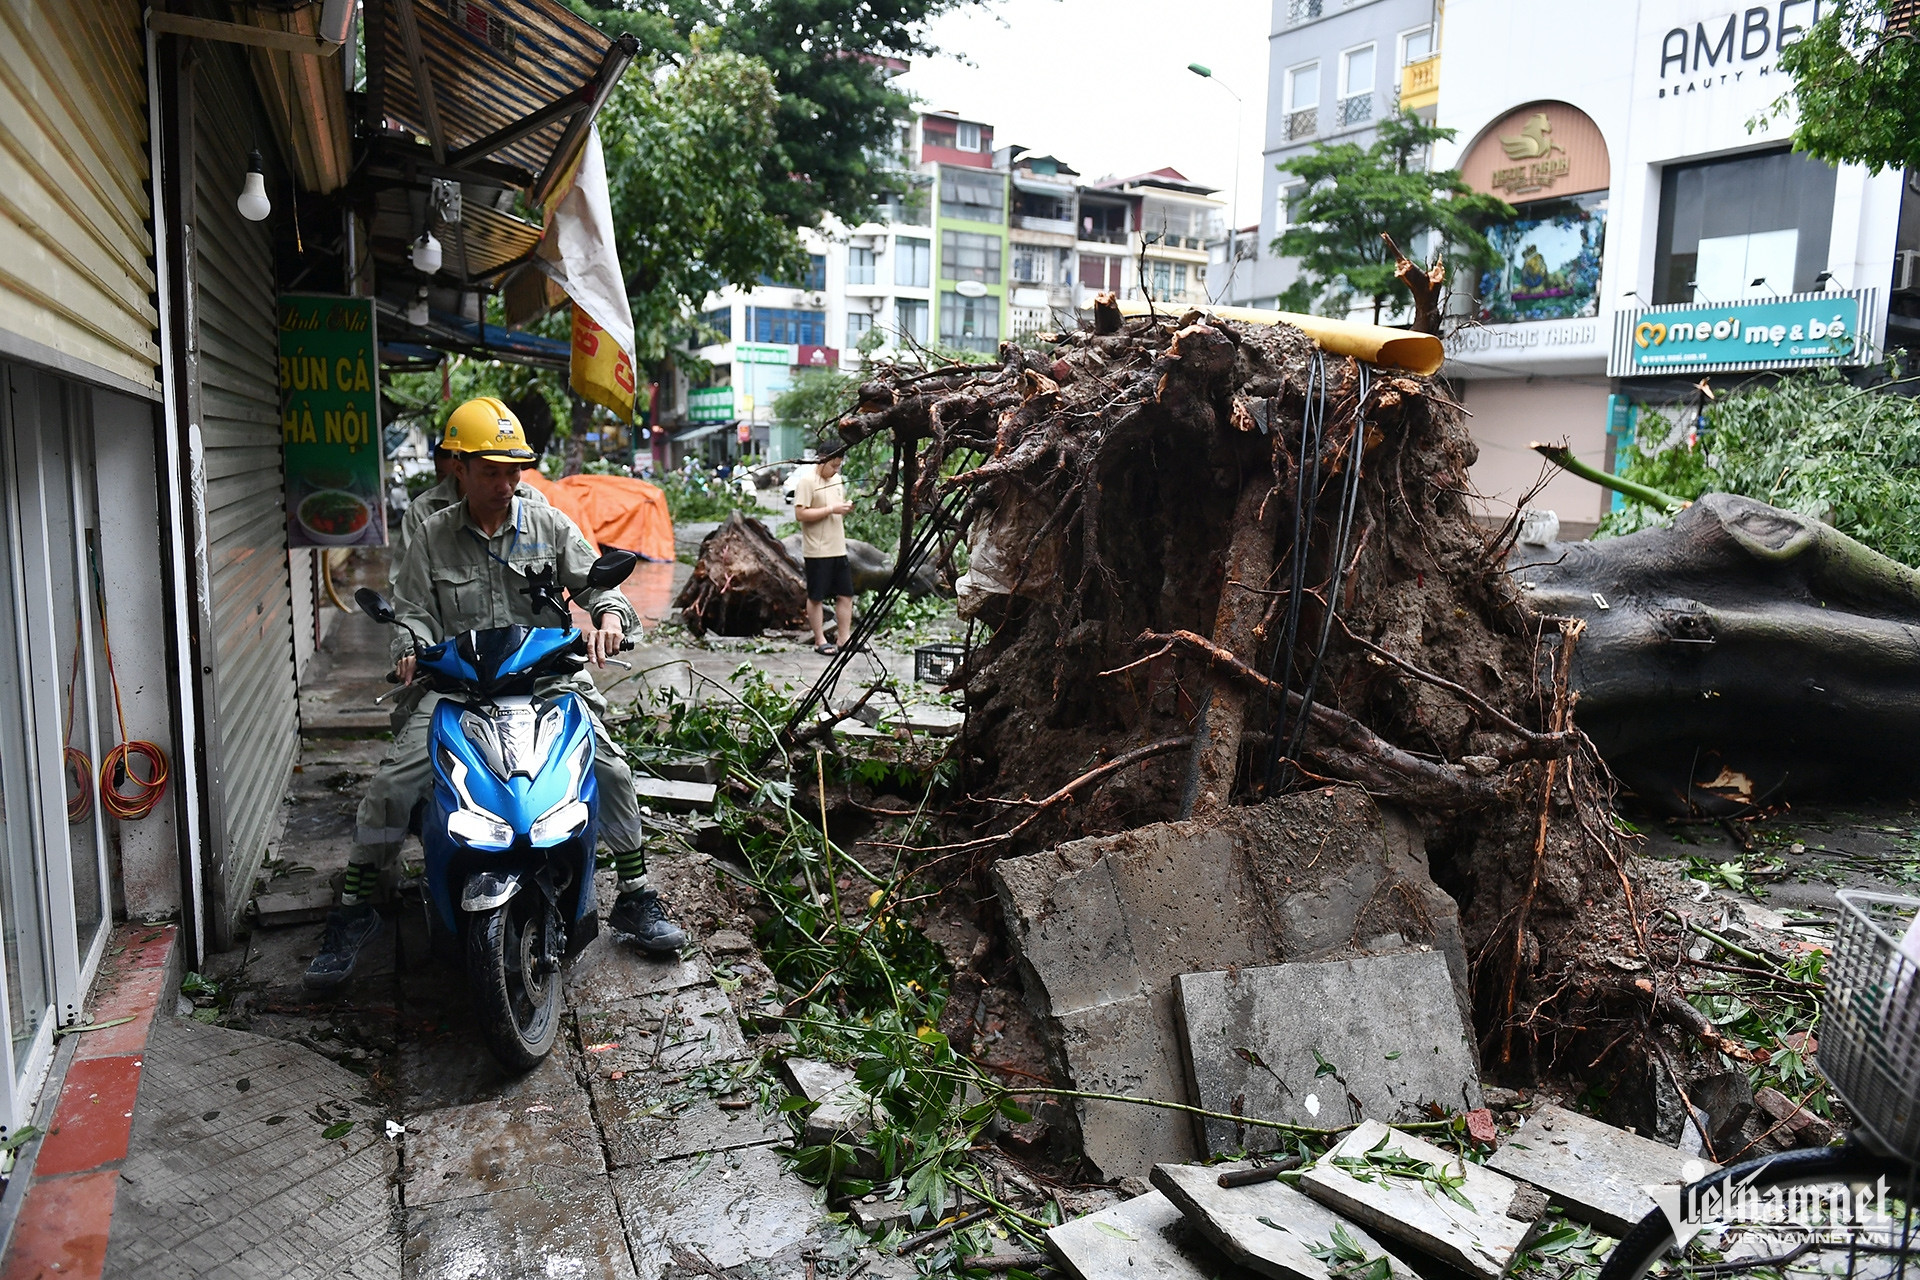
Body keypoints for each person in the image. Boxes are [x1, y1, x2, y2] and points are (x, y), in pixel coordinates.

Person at [305, 399, 686, 991]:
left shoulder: (549, 523)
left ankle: (635, 894)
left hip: (547, 680)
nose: (508, 484)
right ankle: (355, 906)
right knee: (392, 785)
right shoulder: (430, 533)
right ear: (459, 468)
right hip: (455, 686)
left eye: (515, 471)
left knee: (609, 769)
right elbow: (411, 613)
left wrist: (609, 615)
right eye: (492, 471)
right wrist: (410, 648)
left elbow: (597, 587)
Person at [791, 443, 855, 656]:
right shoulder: (807, 482)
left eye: (839, 466)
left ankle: (844, 638)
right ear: (822, 460)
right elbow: (800, 514)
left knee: (846, 594)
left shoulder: (837, 480)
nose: (836, 470)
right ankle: (819, 640)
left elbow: (836, 507)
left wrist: (843, 509)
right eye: (833, 465)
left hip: (838, 546)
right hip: (817, 550)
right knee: (816, 596)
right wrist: (831, 509)